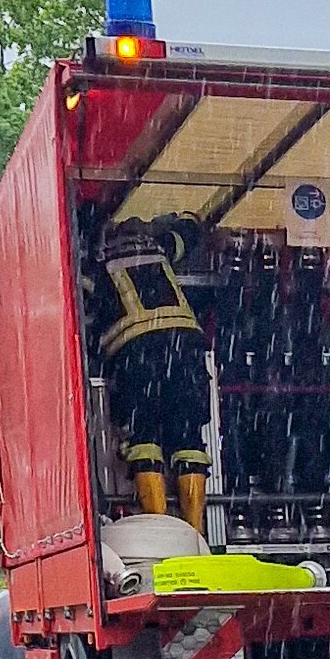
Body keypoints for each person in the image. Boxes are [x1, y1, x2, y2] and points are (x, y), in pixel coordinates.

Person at [90, 222, 212, 531]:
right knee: (190, 441)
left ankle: (160, 529)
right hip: (185, 349)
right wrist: (182, 218)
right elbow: (191, 231)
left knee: (144, 441)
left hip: (136, 355)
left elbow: (87, 320)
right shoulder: (159, 249)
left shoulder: (98, 266)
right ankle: (194, 531)